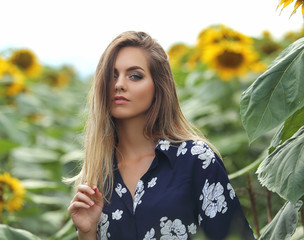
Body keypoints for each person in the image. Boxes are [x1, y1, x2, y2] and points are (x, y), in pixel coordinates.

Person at [66, 31, 256, 240]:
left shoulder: (196, 160)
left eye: (135, 76)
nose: (119, 84)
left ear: (158, 86)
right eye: (112, 75)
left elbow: (234, 236)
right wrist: (87, 232)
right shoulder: (97, 176)